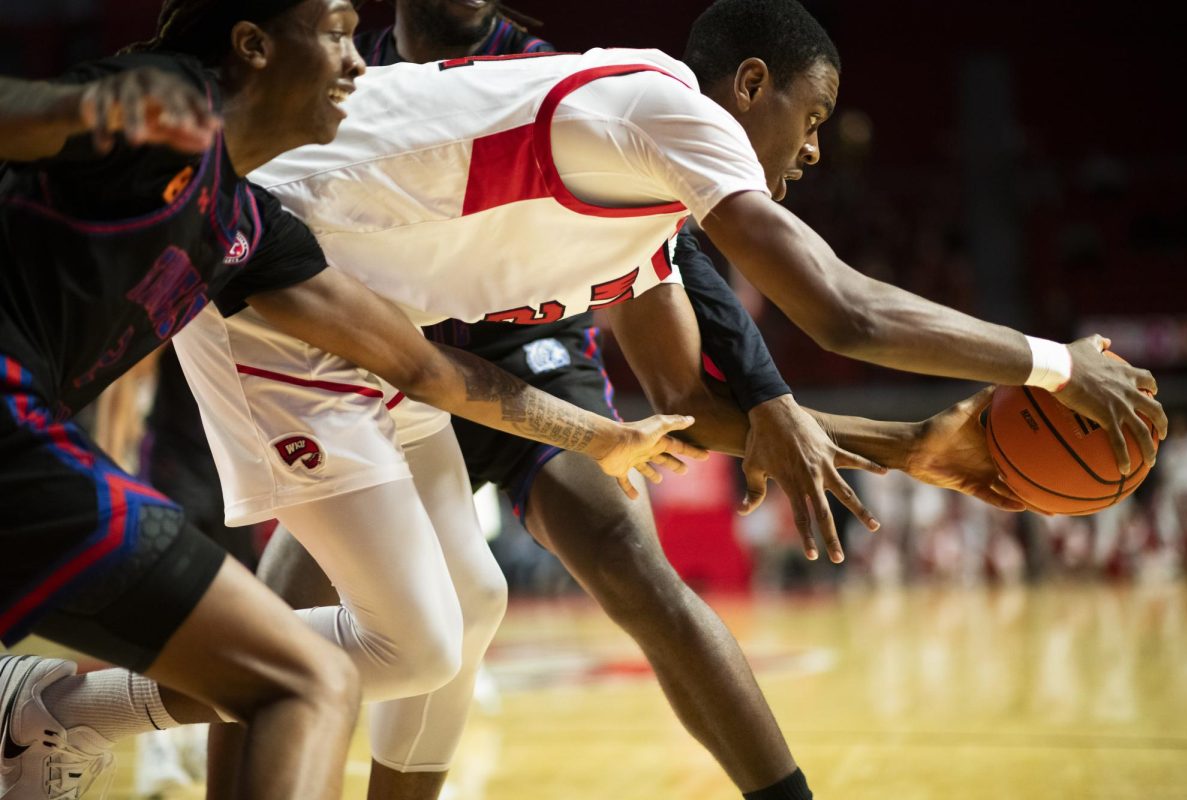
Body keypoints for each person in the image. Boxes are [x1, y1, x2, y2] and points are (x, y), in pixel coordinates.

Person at [178, 1, 1165, 798]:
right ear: (749, 86)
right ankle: (71, 700)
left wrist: (913, 443)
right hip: (276, 267)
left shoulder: (646, 214)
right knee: (363, 631)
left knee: (473, 606)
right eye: (812, 118)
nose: (816, 151)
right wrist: (1054, 364)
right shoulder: (666, 108)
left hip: (427, 344)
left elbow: (686, 407)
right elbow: (841, 311)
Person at [0, 1, 699, 798]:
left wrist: (598, 437)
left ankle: (40, 709)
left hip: (25, 442)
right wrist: (75, 107)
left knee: (408, 635)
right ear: (253, 43)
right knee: (310, 675)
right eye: (334, 32)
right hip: (18, 421)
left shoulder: (250, 225)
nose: (357, 61)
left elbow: (420, 366)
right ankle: (43, 710)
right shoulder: (166, 97)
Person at [229, 4, 875, 800]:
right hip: (381, 338)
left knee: (607, 566)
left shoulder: (542, 68)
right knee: (301, 604)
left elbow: (673, 238)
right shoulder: (338, 65)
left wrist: (767, 390)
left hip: (519, 349)